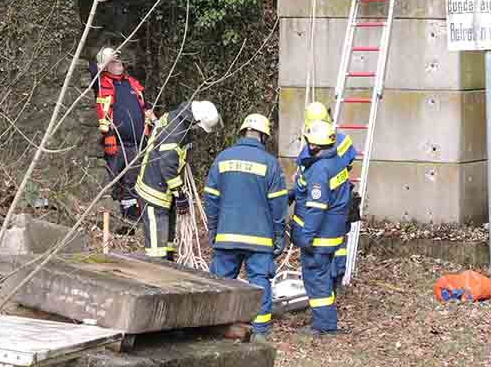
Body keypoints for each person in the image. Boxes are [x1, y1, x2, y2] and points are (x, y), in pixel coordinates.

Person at [204, 113, 287, 343]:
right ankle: (260, 330)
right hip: (259, 239)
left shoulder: (222, 159)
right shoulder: (270, 164)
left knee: (220, 282)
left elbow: (210, 198)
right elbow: (278, 205)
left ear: (243, 132)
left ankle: (216, 324)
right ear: (263, 136)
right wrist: (279, 235)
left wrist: (213, 229)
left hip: (226, 235)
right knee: (259, 281)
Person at [135, 99, 221, 261]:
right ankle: (155, 276)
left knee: (167, 243)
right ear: (196, 120)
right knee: (156, 249)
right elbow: (167, 165)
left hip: (164, 191)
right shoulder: (177, 132)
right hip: (154, 192)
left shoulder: (175, 118)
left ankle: (168, 267)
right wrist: (179, 194)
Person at [291, 120, 351, 336]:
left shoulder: (320, 169)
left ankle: (324, 325)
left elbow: (316, 207)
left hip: (319, 238)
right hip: (334, 234)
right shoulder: (337, 162)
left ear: (314, 145)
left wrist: (306, 235)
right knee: (324, 277)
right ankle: (326, 320)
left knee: (316, 279)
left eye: (308, 141)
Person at [294, 102, 356, 292]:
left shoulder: (314, 151)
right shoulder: (342, 140)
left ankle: (329, 286)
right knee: (339, 240)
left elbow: (308, 174)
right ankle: (336, 277)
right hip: (341, 198)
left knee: (325, 252)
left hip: (323, 205)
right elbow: (348, 163)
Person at [89, 47, 155, 224]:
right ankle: (113, 217)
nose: (119, 64)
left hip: (136, 143)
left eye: (119, 61)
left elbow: (147, 106)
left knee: (133, 181)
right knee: (113, 180)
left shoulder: (132, 83)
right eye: (114, 61)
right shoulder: (100, 83)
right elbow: (92, 68)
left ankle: (131, 215)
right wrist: (104, 60)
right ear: (106, 65)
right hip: (114, 142)